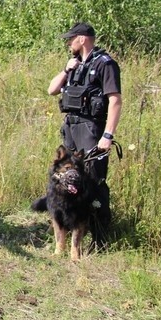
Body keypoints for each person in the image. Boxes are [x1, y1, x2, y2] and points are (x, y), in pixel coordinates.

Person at [47, 22, 121, 248]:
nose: (69, 43)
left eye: (71, 39)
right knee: (70, 182)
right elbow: (51, 90)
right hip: (71, 128)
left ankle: (100, 238)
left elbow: (115, 100)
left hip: (92, 129)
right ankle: (71, 232)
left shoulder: (105, 64)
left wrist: (107, 135)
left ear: (82, 38)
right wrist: (66, 69)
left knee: (94, 182)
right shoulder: (75, 65)